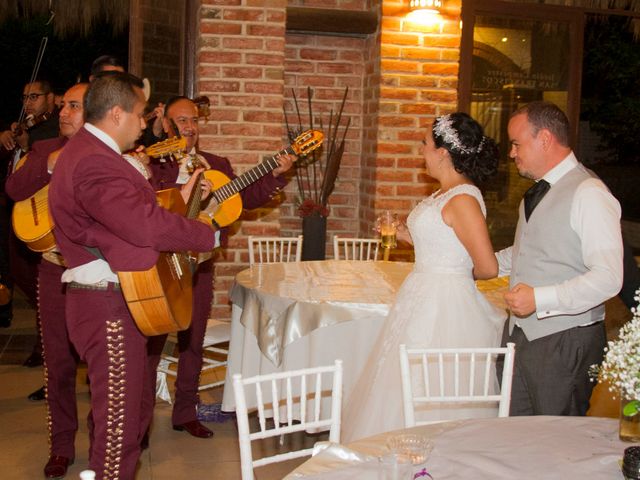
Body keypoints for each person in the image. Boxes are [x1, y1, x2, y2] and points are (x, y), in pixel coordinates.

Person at [48, 72, 217, 479]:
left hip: (117, 298)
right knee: (118, 428)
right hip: (105, 303)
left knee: (127, 416)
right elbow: (141, 225)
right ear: (118, 112)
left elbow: (126, 219)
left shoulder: (94, 154)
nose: (145, 124)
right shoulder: (92, 160)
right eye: (141, 114)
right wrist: (204, 234)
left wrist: (183, 198)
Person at [342, 113, 507, 442]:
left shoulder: (463, 199)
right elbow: (444, 243)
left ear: (444, 153)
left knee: (432, 382)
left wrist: (450, 270)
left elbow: (487, 267)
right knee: (400, 381)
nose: (421, 150)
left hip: (445, 305)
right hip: (419, 294)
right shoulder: (442, 193)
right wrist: (405, 234)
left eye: (426, 144)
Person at [146, 96, 293, 438]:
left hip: (200, 265)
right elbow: (150, 207)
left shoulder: (216, 163)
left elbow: (245, 200)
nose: (190, 127)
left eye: (194, 120)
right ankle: (141, 418)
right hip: (159, 268)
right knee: (152, 343)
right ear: (165, 124)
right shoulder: (153, 166)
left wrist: (275, 175)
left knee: (192, 340)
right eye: (181, 120)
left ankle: (185, 411)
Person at [496, 101, 623, 416]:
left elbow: (609, 277)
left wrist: (540, 299)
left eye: (516, 143)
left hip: (565, 341)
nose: (511, 153)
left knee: (556, 445)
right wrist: (479, 265)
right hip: (521, 335)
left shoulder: (589, 192)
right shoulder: (539, 191)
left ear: (545, 139)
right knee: (517, 437)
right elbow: (532, 250)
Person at [5, 82, 88, 478]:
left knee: (104, 367)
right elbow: (14, 188)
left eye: (76, 106)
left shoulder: (113, 153)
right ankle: (61, 446)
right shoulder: (42, 149)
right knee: (57, 365)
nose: (64, 112)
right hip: (54, 270)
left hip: (101, 275)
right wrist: (52, 163)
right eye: (65, 105)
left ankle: (112, 438)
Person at [0, 79, 59, 355]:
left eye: (34, 96)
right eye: (25, 97)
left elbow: (46, 158)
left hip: (40, 216)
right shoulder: (24, 126)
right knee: (15, 271)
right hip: (15, 210)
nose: (28, 103)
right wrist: (7, 139)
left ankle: (45, 342)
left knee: (37, 279)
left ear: (50, 98)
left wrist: (28, 142)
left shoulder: (52, 128)